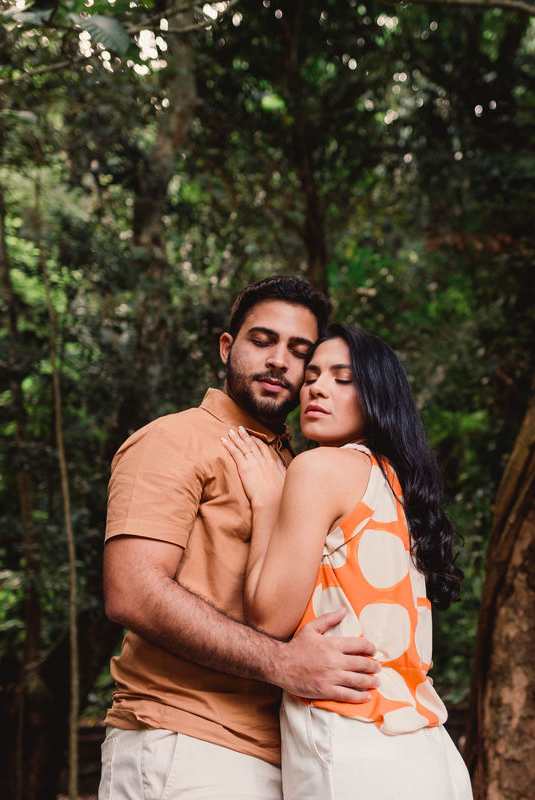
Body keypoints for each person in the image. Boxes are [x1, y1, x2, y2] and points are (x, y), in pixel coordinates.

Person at [100, 277, 382, 800]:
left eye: (299, 352)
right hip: (185, 742)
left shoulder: (300, 466)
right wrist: (284, 664)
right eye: (262, 341)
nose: (279, 361)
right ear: (228, 347)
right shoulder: (174, 439)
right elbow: (131, 590)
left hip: (288, 753)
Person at [219, 323, 473, 800]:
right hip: (429, 747)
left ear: (377, 396)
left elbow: (270, 618)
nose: (316, 386)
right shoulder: (399, 486)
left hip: (353, 742)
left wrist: (266, 505)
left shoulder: (318, 469)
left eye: (343, 378)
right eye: (312, 375)